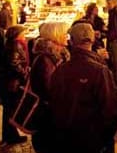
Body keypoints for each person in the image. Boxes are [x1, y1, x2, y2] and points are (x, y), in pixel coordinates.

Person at [50, 22, 117, 153]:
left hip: (66, 138)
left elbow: (54, 103)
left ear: (71, 42)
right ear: (92, 40)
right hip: (93, 139)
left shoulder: (60, 70)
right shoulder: (100, 71)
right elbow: (110, 108)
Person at [30, 22, 71, 153]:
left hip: (56, 112)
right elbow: (49, 88)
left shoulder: (60, 55)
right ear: (56, 36)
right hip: (48, 116)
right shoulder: (45, 59)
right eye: (65, 33)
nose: (68, 36)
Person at [0, 25, 29, 145]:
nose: (25, 35)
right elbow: (14, 63)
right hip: (12, 82)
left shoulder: (11, 44)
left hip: (8, 81)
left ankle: (9, 134)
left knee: (8, 109)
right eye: (23, 33)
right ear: (17, 34)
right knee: (10, 108)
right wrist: (24, 72)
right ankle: (11, 136)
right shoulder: (16, 45)